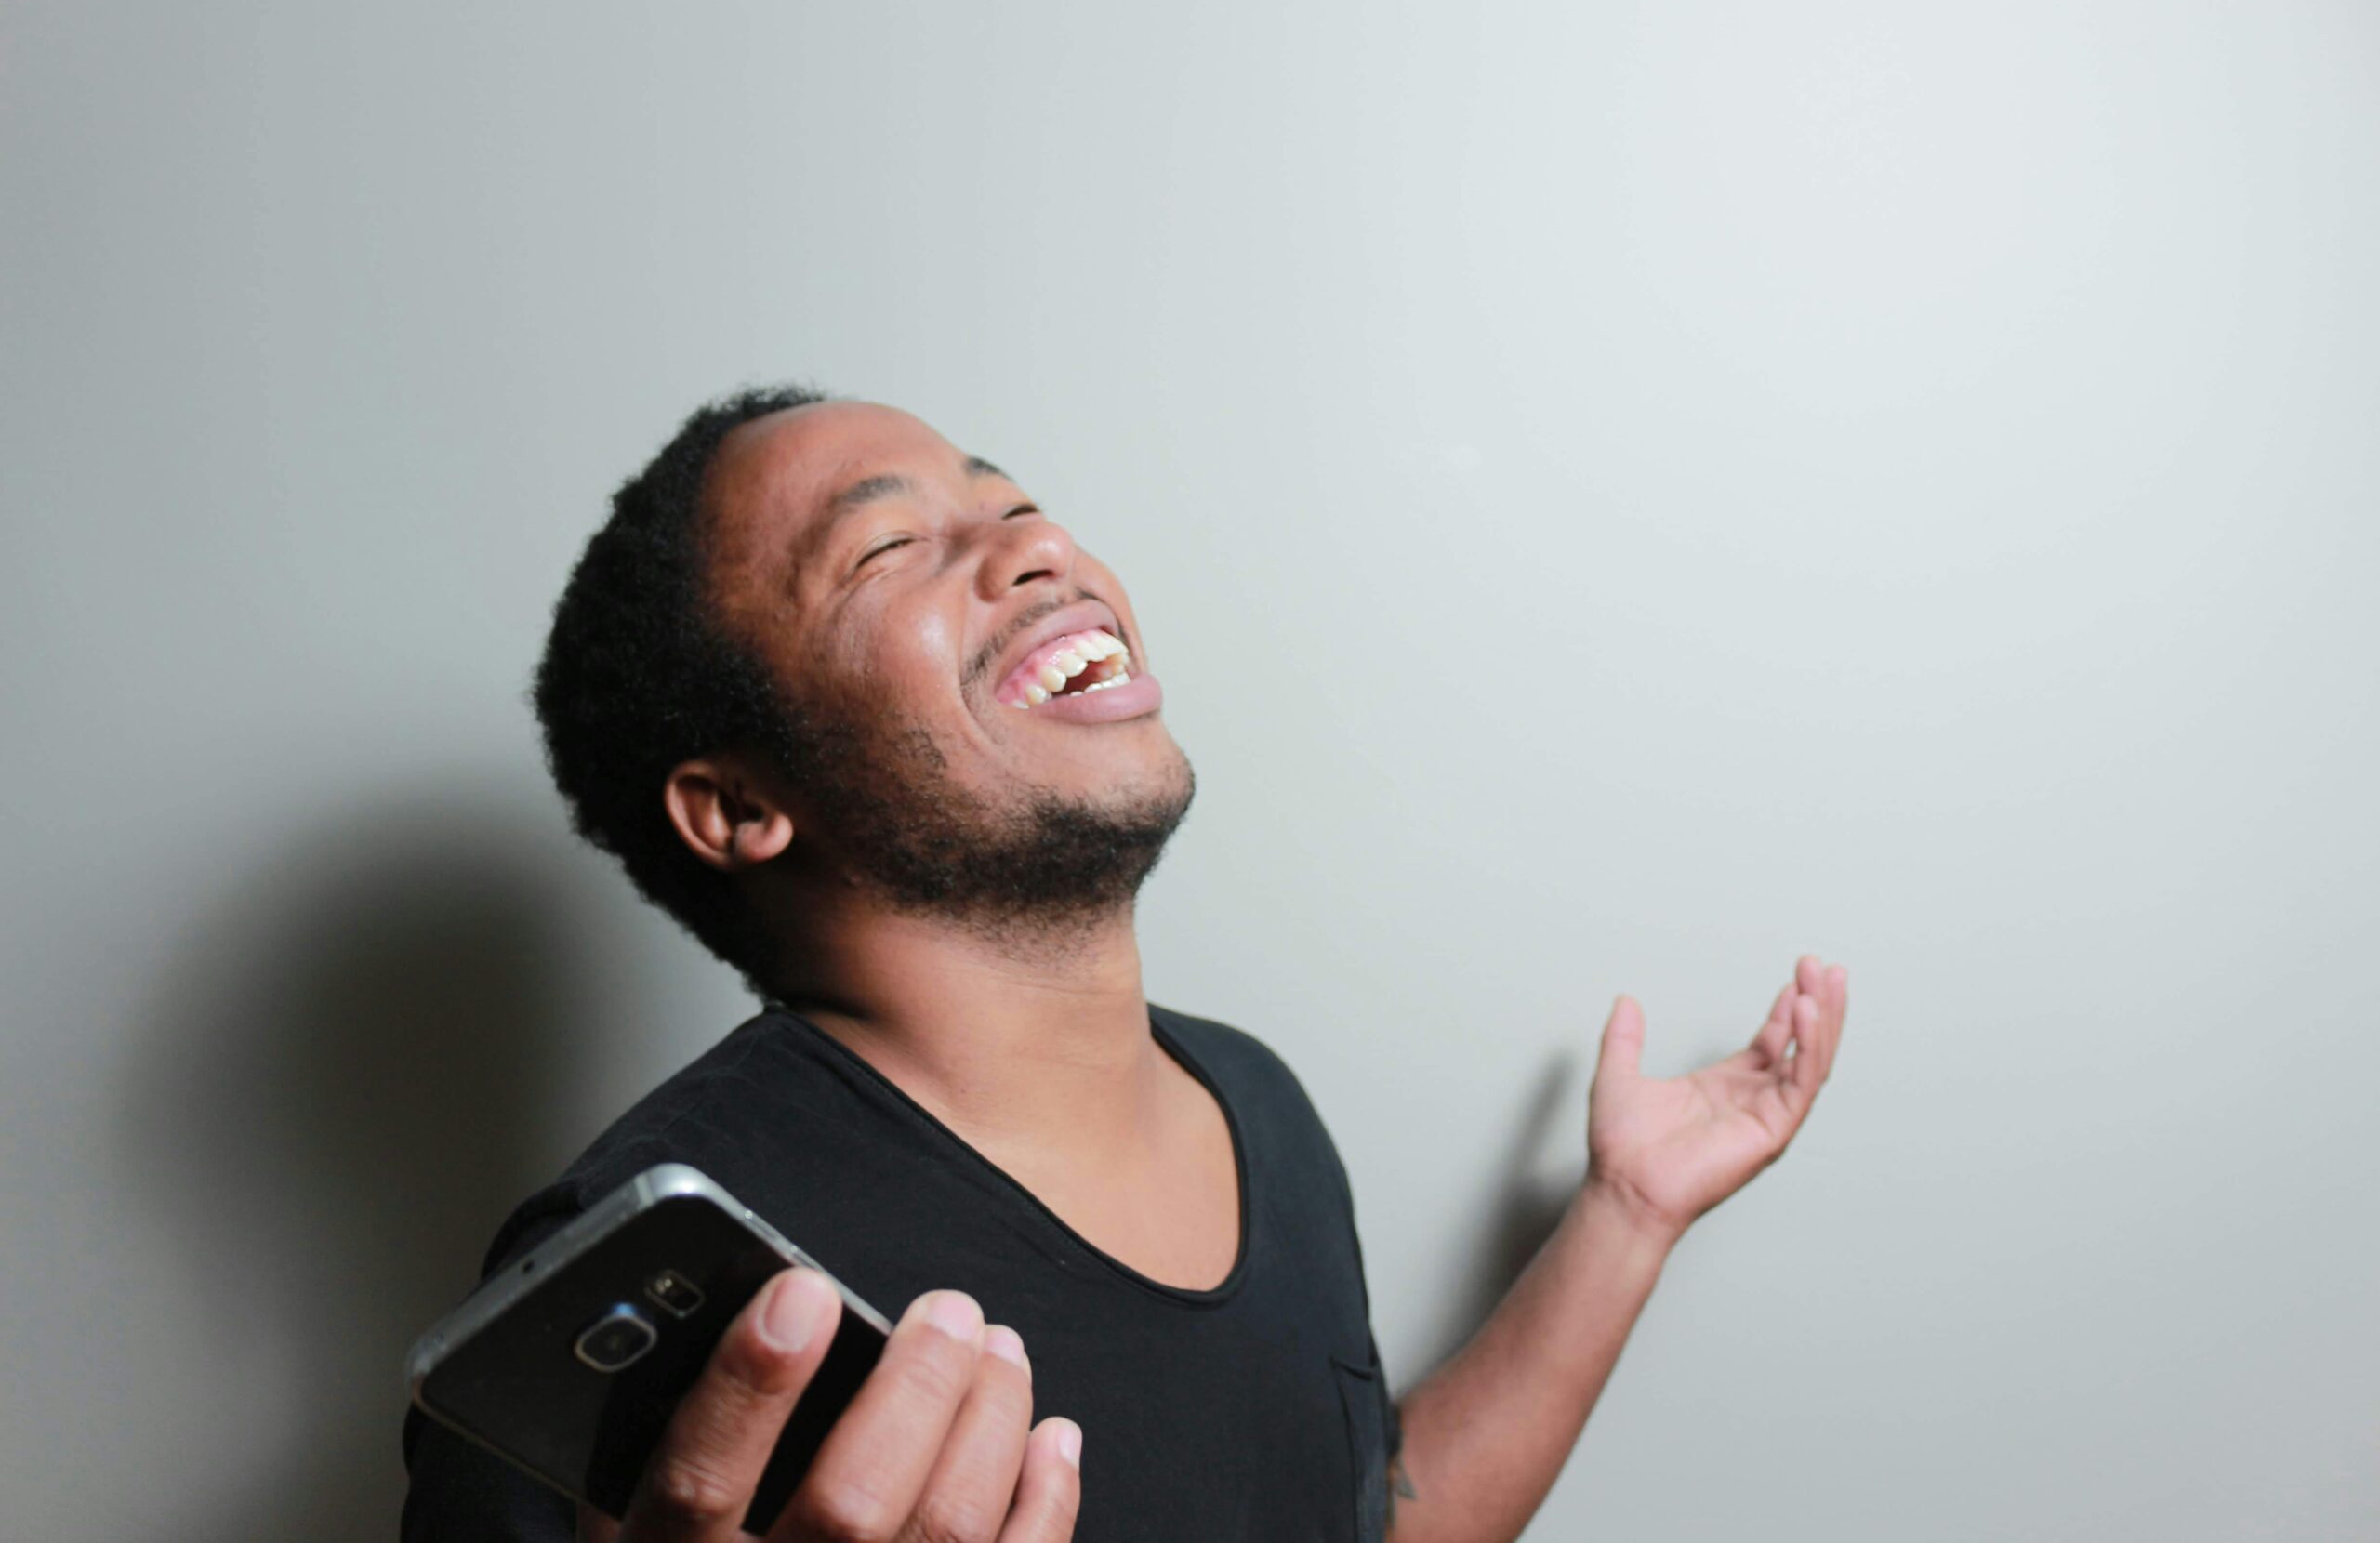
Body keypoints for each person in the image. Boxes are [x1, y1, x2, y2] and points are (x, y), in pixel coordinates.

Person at [398, 385, 1851, 1543]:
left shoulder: (1255, 1102)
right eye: (889, 548)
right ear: (737, 805)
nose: (1038, 549)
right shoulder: (642, 1281)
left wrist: (1625, 1217)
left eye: (1015, 503)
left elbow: (1362, 1518)